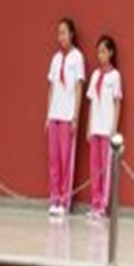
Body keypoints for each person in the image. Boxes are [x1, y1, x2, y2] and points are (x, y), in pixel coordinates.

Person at [45, 17, 85, 217]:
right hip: (54, 115)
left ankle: (64, 201)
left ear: (71, 34)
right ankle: (54, 199)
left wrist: (75, 116)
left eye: (63, 32)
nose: (60, 36)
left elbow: (78, 88)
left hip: (68, 116)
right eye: (58, 33)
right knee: (53, 160)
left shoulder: (77, 57)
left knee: (65, 159)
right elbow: (51, 88)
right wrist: (47, 116)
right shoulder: (55, 59)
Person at [85, 35, 122, 219]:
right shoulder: (95, 75)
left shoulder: (115, 76)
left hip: (107, 129)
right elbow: (92, 103)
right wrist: (88, 127)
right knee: (94, 169)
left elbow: (117, 102)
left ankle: (103, 205)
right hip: (95, 128)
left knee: (105, 169)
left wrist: (114, 127)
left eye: (103, 51)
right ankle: (95, 202)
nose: (100, 55)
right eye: (98, 52)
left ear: (111, 53)